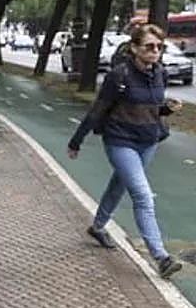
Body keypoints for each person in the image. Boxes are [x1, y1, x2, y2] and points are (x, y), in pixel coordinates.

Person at [68, 23, 184, 279]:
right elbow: (98, 109)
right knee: (142, 195)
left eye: (159, 47)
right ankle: (161, 257)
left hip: (148, 141)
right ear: (134, 48)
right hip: (120, 141)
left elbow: (152, 108)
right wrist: (76, 141)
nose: (155, 51)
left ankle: (97, 227)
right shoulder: (119, 76)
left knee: (118, 185)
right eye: (149, 46)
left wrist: (166, 109)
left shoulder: (160, 73)